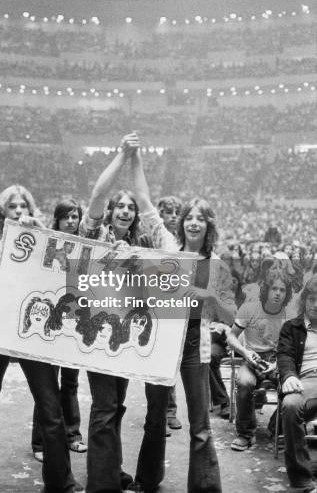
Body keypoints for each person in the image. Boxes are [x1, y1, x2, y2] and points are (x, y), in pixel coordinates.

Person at [131, 138, 236, 493]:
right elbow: (145, 202)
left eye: (200, 219)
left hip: (194, 342)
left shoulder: (216, 264)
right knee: (155, 416)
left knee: (200, 422)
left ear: (209, 226)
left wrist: (209, 297)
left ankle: (205, 487)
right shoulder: (167, 246)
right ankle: (148, 480)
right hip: (162, 339)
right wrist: (135, 157)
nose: (193, 223)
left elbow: (229, 312)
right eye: (188, 217)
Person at [0, 185, 76, 493]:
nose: (18, 211)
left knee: (50, 408)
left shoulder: (43, 247)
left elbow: (66, 259)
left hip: (32, 333)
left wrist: (39, 230)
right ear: (1, 212)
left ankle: (60, 483)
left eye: (23, 206)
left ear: (31, 210)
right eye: (12, 206)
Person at [78, 137, 142, 493]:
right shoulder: (94, 235)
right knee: (104, 407)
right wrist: (122, 156)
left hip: (125, 333)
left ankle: (110, 468)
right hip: (97, 331)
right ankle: (101, 485)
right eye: (120, 206)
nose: (125, 211)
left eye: (130, 208)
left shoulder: (140, 246)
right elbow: (97, 197)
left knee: (115, 406)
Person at [31, 199, 87, 463]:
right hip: (50, 323)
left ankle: (72, 435)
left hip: (74, 321)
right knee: (46, 385)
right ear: (57, 219)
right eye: (66, 217)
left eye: (75, 216)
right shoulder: (48, 245)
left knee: (71, 383)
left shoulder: (86, 247)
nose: (71, 221)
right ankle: (40, 441)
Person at [227, 263, 292, 451]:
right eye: (274, 288)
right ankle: (245, 434)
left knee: (290, 385)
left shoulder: (289, 315)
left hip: (278, 360)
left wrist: (278, 364)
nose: (278, 293)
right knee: (245, 382)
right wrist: (245, 352)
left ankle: (275, 428)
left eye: (282, 290)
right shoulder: (249, 309)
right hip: (252, 358)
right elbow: (231, 337)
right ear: (266, 289)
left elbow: (293, 348)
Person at [140, 196, 182, 432]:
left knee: (170, 361)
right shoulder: (149, 238)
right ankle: (156, 413)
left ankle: (170, 411)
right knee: (154, 363)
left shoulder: (182, 240)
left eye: (177, 212)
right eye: (168, 212)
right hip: (150, 302)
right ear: (160, 214)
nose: (173, 216)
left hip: (173, 306)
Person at [277, 275, 317, 493]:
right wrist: (289, 375)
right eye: (312, 299)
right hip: (305, 381)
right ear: (304, 301)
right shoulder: (290, 328)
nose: (316, 304)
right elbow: (284, 355)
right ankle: (301, 477)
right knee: (290, 405)